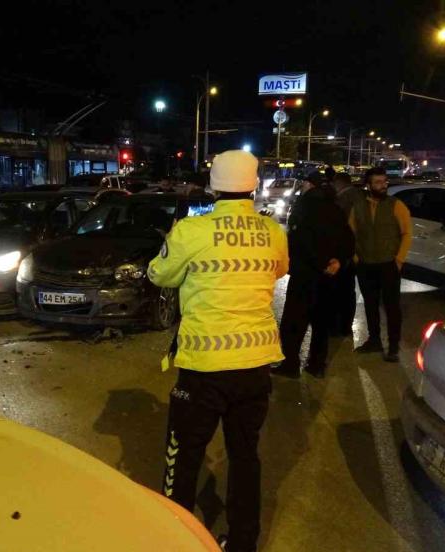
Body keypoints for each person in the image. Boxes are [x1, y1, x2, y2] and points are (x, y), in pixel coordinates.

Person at [148, 149, 288, 552]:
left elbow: (159, 274)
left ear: (212, 187)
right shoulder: (273, 232)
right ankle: (243, 543)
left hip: (203, 368)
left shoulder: (191, 231)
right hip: (255, 366)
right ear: (254, 186)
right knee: (245, 456)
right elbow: (279, 270)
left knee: (184, 457)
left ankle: (177, 539)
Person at [276, 171, 353, 378]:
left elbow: (300, 240)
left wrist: (319, 264)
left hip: (305, 274)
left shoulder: (304, 206)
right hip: (329, 275)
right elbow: (347, 238)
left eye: (304, 184)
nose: (302, 187)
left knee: (294, 321)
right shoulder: (335, 208)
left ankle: (290, 364)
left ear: (310, 185)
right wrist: (338, 261)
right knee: (321, 322)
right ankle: (317, 365)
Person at [350, 167, 412, 362]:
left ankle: (393, 346)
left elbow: (407, 234)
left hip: (388, 264)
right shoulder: (358, 207)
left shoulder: (396, 205)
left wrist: (399, 260)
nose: (383, 185)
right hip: (365, 264)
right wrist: (356, 258)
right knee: (370, 304)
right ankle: (374, 340)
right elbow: (351, 234)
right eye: (377, 182)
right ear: (368, 185)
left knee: (392, 307)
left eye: (384, 181)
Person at [331, 172, 365, 336]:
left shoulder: (343, 199)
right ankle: (346, 325)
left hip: (346, 250)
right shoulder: (360, 196)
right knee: (349, 290)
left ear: (338, 183)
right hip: (357, 249)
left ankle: (340, 326)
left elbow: (341, 226)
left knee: (341, 289)